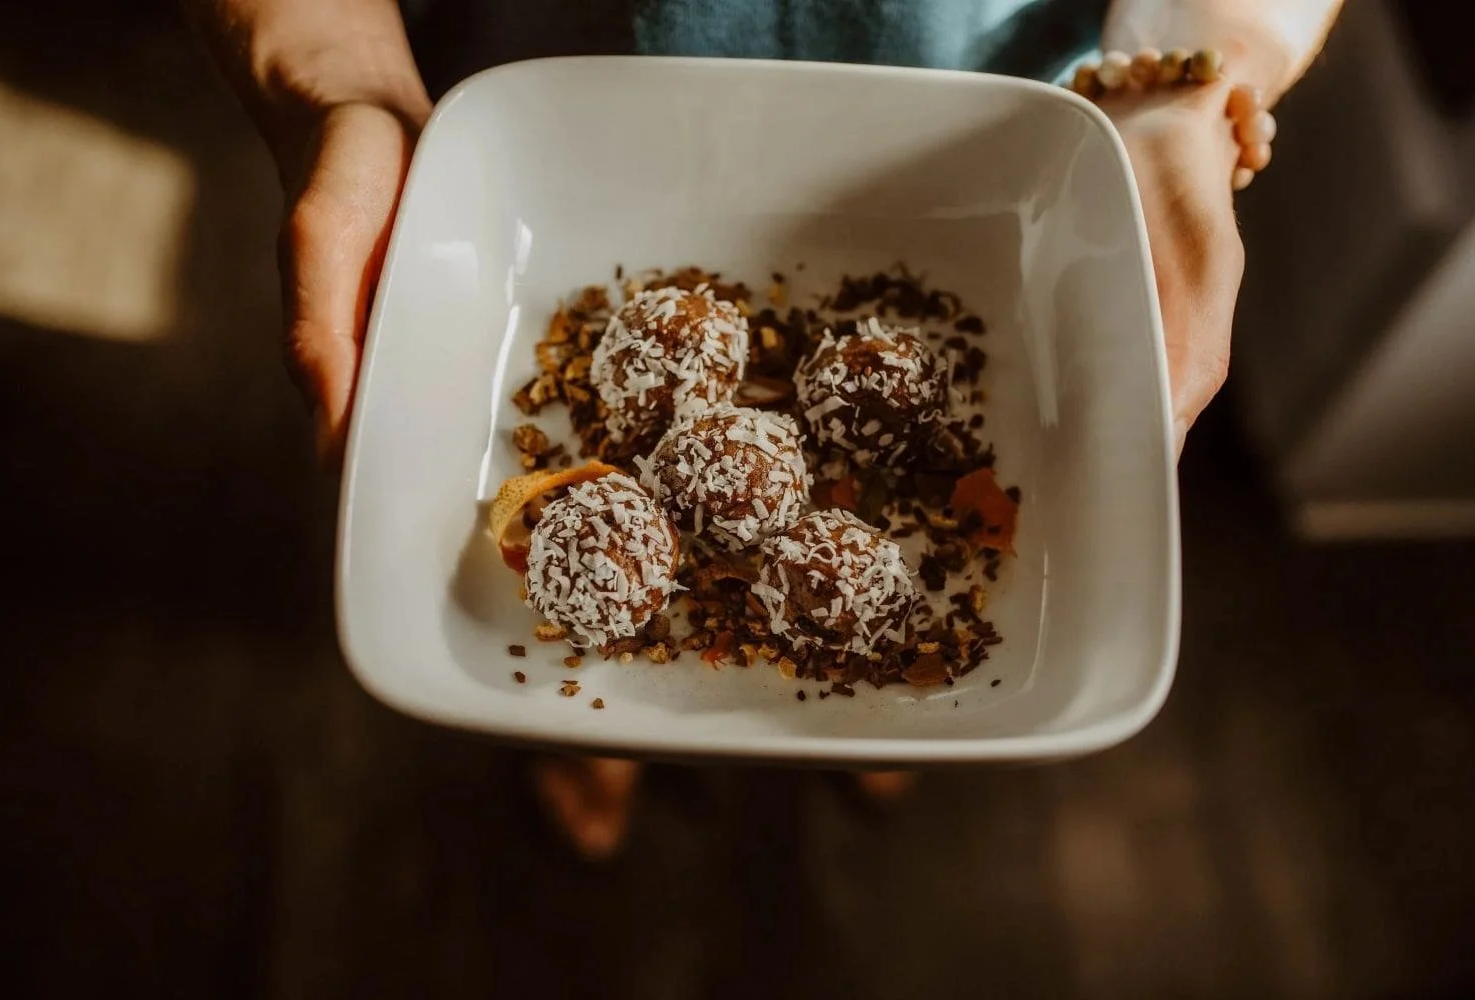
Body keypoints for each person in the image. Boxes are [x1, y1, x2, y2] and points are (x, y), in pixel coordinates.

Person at [183, 0, 1345, 859]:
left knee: (905, 666)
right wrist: (331, 72)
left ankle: (883, 722)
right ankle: (592, 737)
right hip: (537, 93)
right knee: (566, 669)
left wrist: (1198, 64)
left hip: (1012, 114)